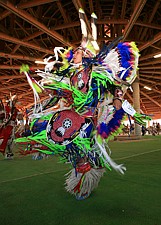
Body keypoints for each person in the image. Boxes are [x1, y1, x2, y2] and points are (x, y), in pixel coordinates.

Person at [16, 8, 151, 200]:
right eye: (77, 50)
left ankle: (85, 183)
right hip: (70, 114)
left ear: (86, 55)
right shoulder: (71, 74)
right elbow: (63, 91)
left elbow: (114, 86)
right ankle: (54, 155)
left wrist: (119, 98)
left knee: (81, 152)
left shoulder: (95, 73)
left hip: (87, 119)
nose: (75, 52)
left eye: (79, 51)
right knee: (53, 136)